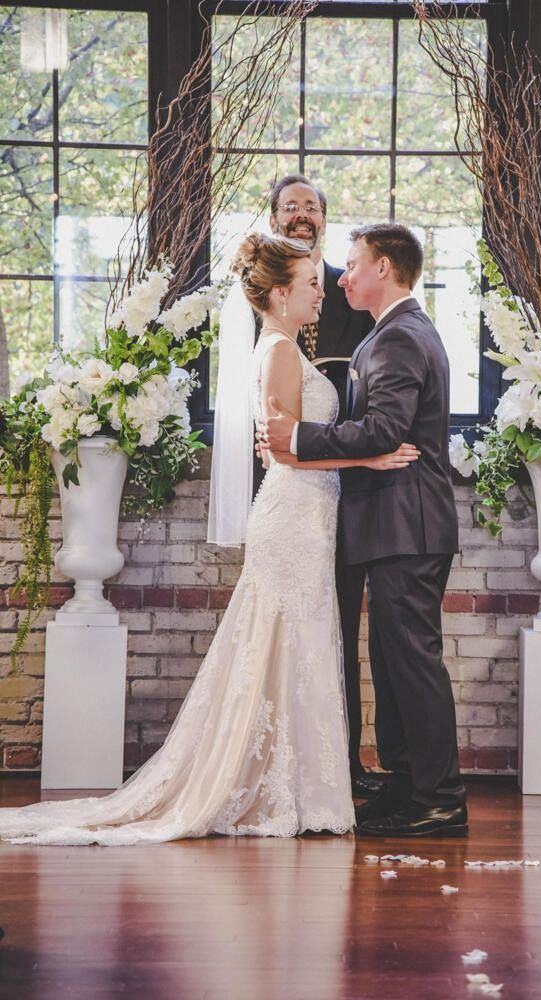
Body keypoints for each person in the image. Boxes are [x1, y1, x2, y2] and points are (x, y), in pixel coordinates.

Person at [0, 234, 417, 847]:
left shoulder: (284, 347)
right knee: (290, 642)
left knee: (300, 646)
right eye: (308, 284)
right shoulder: (277, 349)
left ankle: (300, 787)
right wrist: (370, 461)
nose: (320, 291)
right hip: (294, 516)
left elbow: (287, 443)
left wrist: (338, 456)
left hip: (311, 513)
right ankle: (283, 791)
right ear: (278, 292)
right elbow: (285, 454)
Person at [261, 223, 467, 838]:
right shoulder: (395, 333)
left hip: (408, 525)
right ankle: (408, 787)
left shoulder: (400, 337)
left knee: (413, 662)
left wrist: (295, 438)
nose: (342, 277)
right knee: (395, 661)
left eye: (352, 265)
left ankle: (441, 798)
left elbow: (384, 431)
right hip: (395, 525)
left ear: (384, 268)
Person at [211, 173, 380, 800]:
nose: (302, 214)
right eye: (290, 206)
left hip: (331, 492)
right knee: (292, 632)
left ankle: (334, 766)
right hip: (296, 490)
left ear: (326, 218)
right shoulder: (267, 318)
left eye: (312, 206)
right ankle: (278, 770)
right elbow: (275, 421)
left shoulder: (342, 290)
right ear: (275, 217)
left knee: (330, 632)